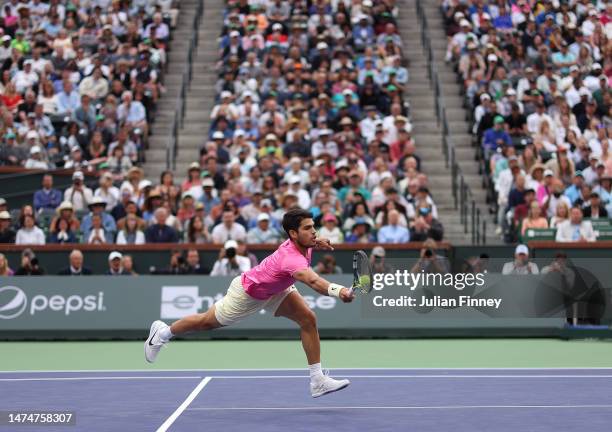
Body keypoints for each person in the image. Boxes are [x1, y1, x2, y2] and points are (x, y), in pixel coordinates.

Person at [145, 208, 354, 398]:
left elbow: (311, 243)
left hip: (276, 288)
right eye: (308, 228)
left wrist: (318, 241)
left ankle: (317, 381)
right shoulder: (292, 259)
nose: (314, 232)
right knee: (205, 322)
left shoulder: (305, 242)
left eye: (314, 227)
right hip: (248, 293)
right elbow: (314, 281)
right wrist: (340, 291)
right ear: (293, 234)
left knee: (308, 318)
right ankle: (162, 333)